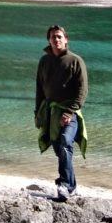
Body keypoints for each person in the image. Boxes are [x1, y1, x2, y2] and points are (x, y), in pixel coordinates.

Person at [35, 25, 88, 201]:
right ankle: (71, 185)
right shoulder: (44, 61)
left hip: (69, 111)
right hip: (50, 111)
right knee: (59, 149)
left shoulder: (75, 61)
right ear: (49, 40)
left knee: (66, 142)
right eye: (52, 37)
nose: (56, 40)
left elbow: (82, 91)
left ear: (66, 39)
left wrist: (70, 112)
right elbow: (39, 89)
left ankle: (64, 184)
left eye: (59, 37)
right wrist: (37, 112)